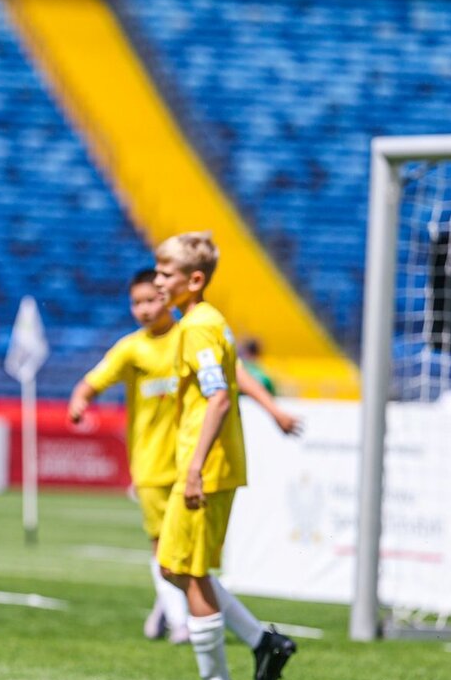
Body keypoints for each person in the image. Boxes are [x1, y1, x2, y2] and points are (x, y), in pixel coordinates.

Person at [69, 269, 301, 646]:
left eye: (151, 299)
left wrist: (273, 409)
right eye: (137, 303)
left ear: (167, 296)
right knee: (164, 549)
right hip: (150, 465)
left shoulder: (190, 336)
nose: (145, 309)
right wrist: (80, 400)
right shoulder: (132, 348)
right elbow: (92, 381)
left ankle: (183, 614)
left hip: (192, 463)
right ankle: (181, 622)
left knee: (185, 558)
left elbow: (234, 372)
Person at [151, 232, 296, 680]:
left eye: (166, 274)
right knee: (174, 566)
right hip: (205, 461)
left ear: (194, 280)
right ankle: (261, 641)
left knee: (189, 570)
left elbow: (217, 396)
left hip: (205, 465)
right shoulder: (207, 321)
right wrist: (272, 408)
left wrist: (194, 469)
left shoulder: (197, 327)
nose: (158, 281)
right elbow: (232, 372)